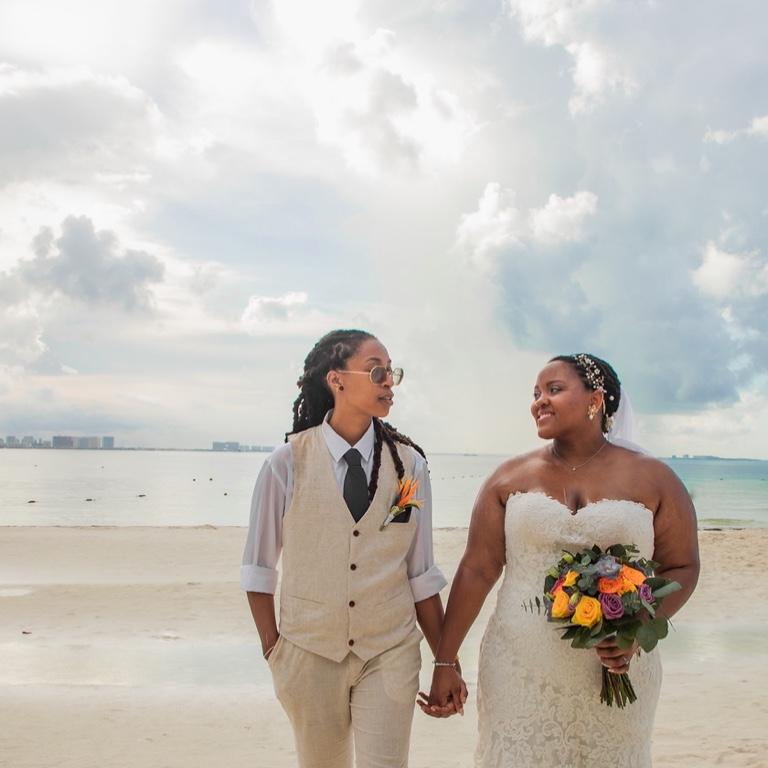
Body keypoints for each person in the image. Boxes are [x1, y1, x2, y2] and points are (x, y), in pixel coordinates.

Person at [420, 353, 700, 767]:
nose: (539, 401)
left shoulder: (655, 479)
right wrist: (445, 660)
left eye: (554, 389)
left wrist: (637, 629)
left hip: (615, 668)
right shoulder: (507, 478)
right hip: (519, 667)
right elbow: (477, 569)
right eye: (535, 393)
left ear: (595, 400)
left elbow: (682, 567)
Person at [241, 329, 448, 768]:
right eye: (376, 371)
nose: (388, 381)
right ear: (336, 380)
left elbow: (420, 573)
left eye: (391, 372)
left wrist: (445, 661)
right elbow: (259, 569)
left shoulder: (409, 466)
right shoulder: (285, 463)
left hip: (389, 650)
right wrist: (274, 650)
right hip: (308, 653)